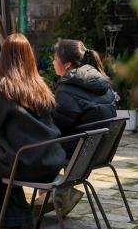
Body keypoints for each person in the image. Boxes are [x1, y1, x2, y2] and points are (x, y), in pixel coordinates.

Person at [0, 33, 67, 229]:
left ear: (4, 58)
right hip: (50, 162)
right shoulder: (41, 86)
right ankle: (17, 218)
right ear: (30, 57)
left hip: (23, 162)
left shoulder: (3, 88)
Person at [49, 38, 118, 216]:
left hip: (78, 153)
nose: (52, 62)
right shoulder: (101, 81)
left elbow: (57, 128)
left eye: (55, 59)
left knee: (35, 146)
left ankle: (54, 196)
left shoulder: (68, 88)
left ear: (67, 64)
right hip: (98, 150)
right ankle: (54, 196)